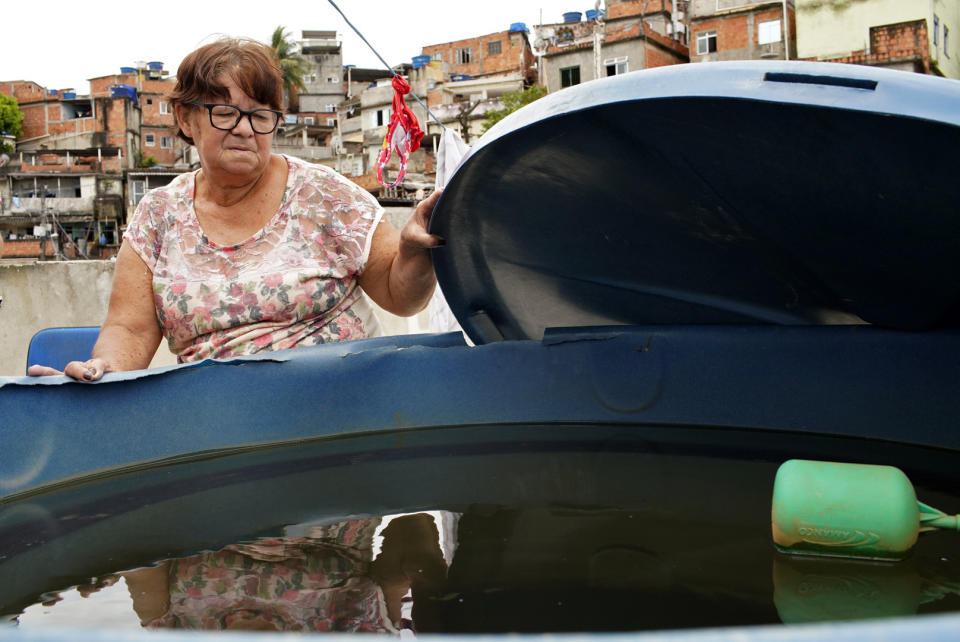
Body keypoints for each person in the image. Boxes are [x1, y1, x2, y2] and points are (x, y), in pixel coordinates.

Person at [28, 36, 442, 381]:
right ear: (186, 119)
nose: (244, 128)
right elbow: (129, 329)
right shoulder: (158, 215)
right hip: (222, 434)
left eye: (260, 115)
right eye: (225, 113)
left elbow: (401, 296)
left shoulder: (325, 194)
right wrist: (102, 370)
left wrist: (413, 251)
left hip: (339, 419)